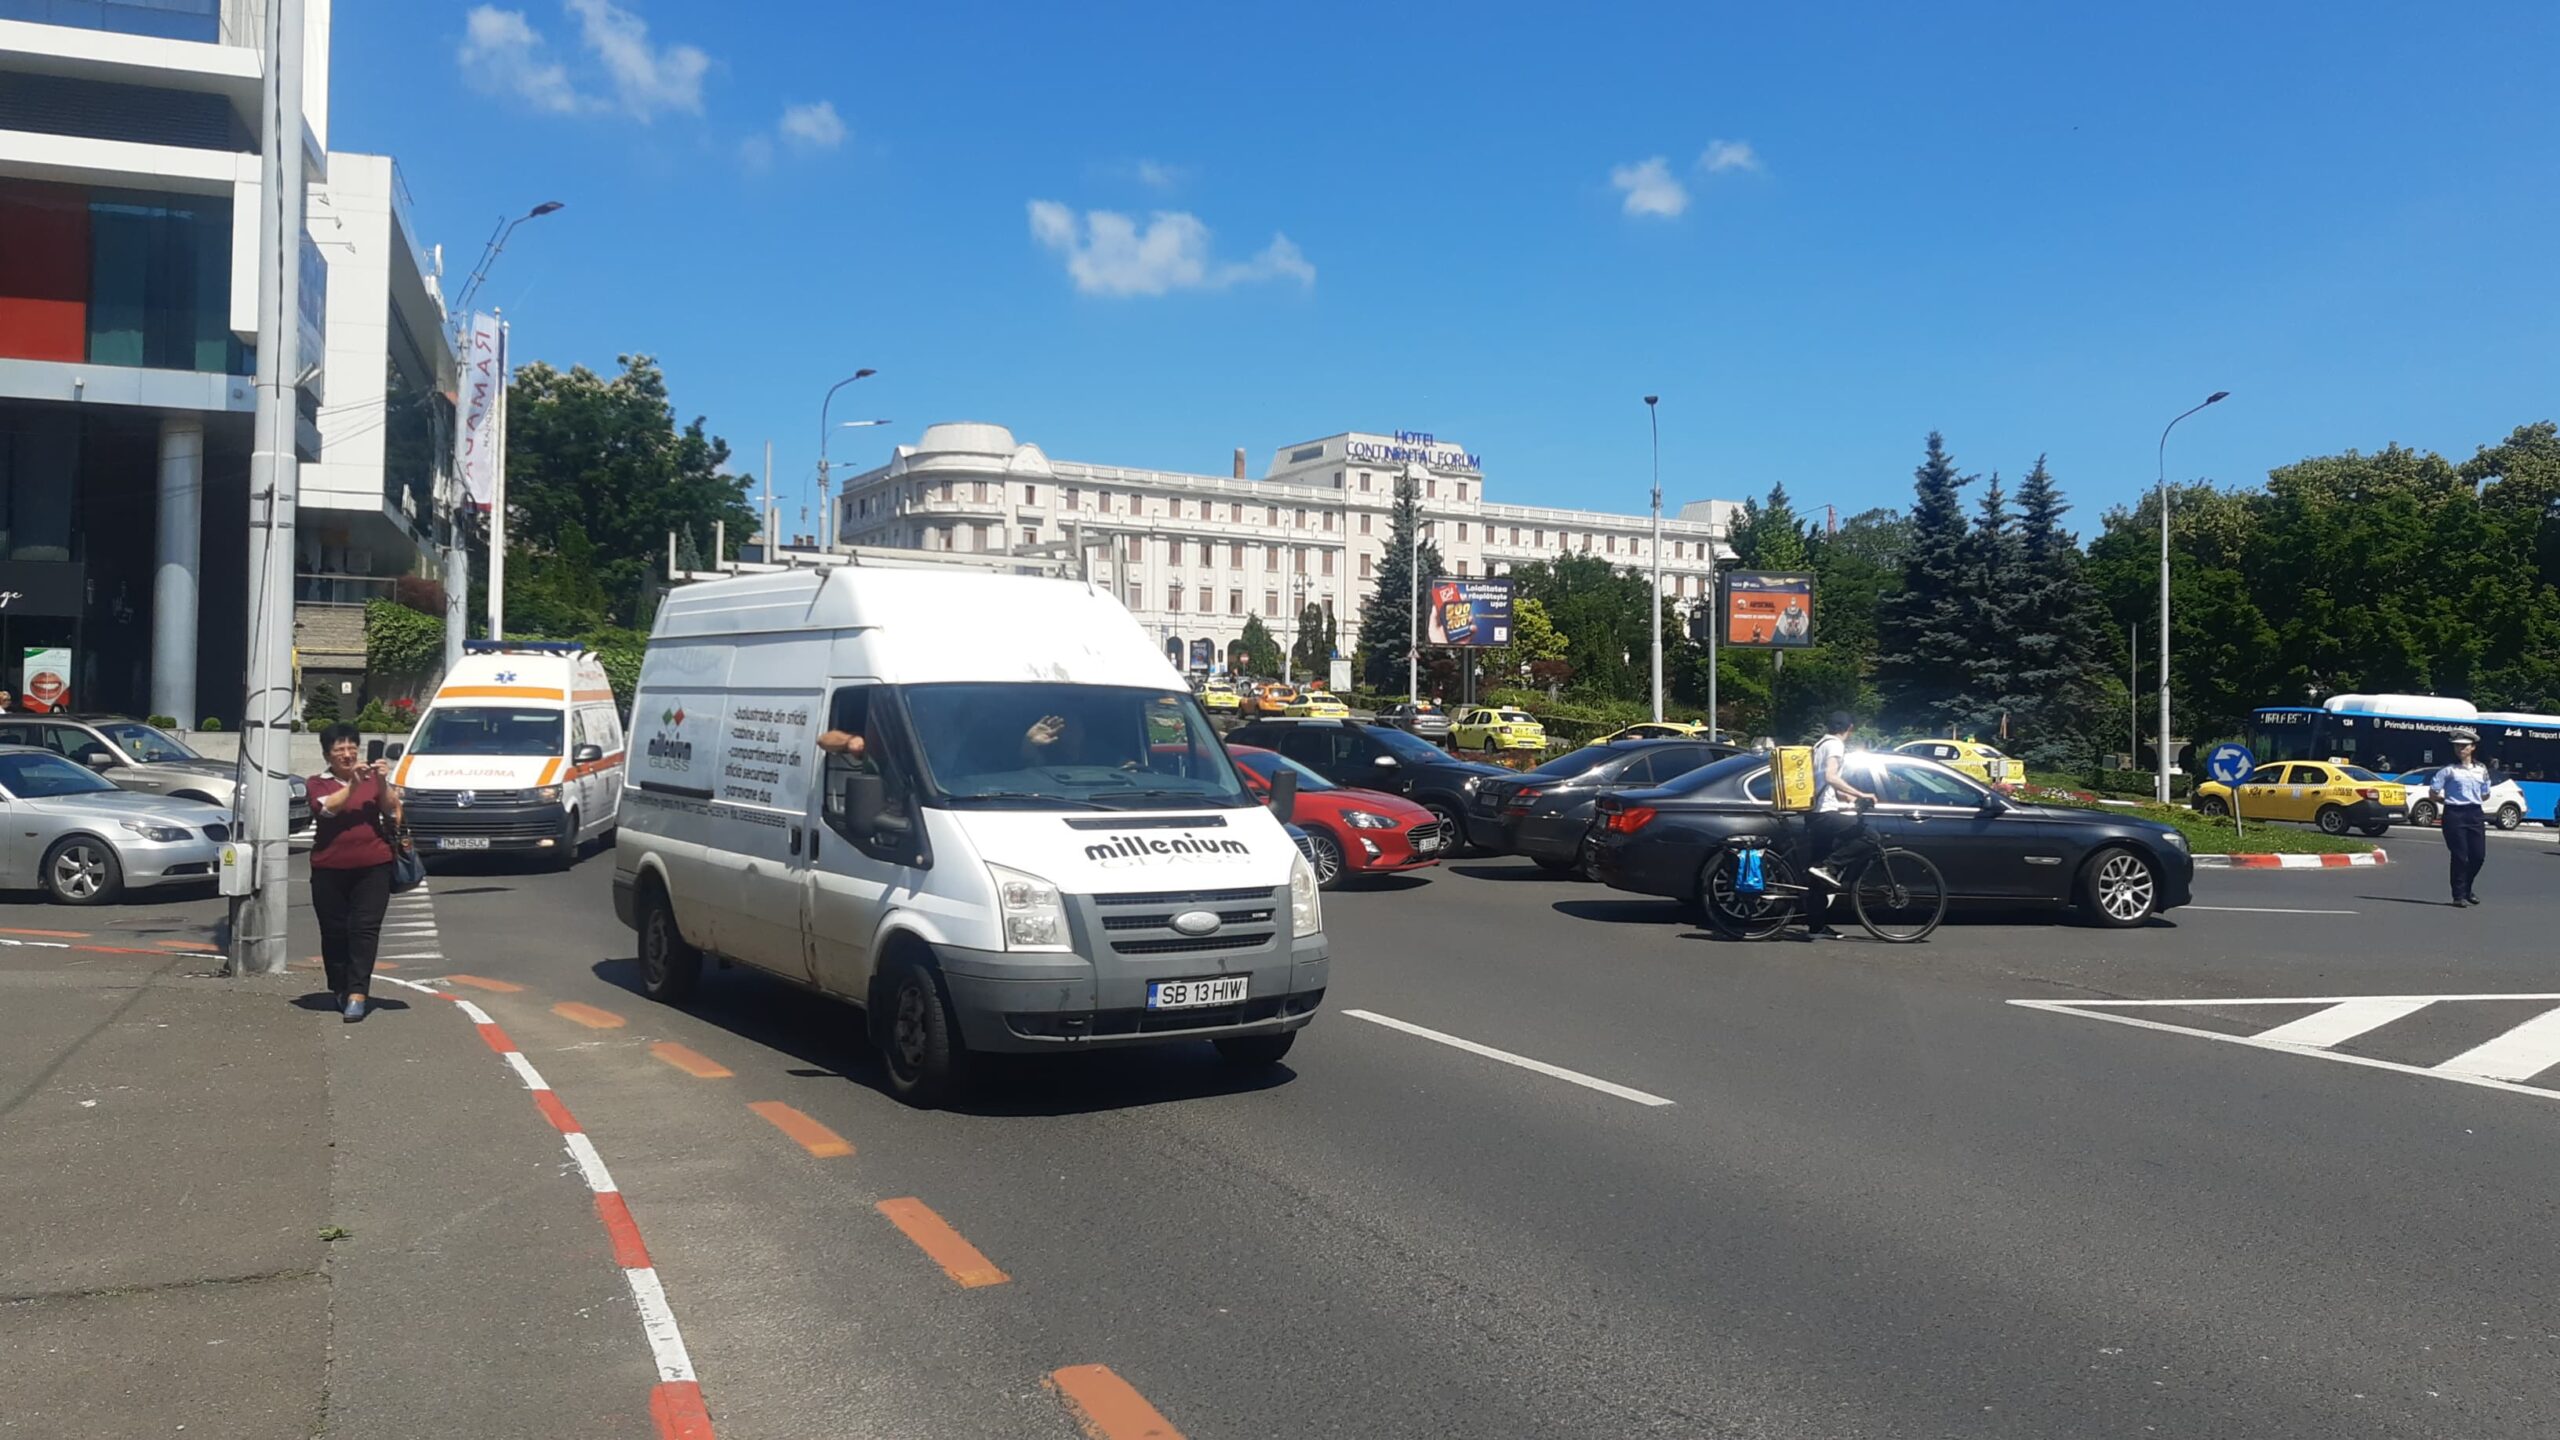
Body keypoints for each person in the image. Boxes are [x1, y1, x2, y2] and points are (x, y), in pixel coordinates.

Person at [307, 722, 403, 1021]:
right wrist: (353, 786)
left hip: (374, 866)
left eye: (352, 748)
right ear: (327, 755)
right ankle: (339, 986)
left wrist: (383, 782)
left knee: (364, 930)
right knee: (335, 932)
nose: (348, 755)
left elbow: (393, 812)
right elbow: (325, 810)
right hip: (329, 868)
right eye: (340, 750)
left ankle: (358, 993)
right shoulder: (317, 782)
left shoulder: (373, 780)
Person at [1804, 710, 1883, 940]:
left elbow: (1824, 780)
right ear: (1849, 728)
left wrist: (1845, 797)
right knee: (1870, 837)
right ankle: (1830, 866)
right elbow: (1830, 776)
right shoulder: (1836, 746)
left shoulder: (1820, 744)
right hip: (1824, 813)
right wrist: (1859, 793)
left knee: (1816, 872)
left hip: (1815, 812)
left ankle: (1816, 926)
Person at [2430, 731, 2491, 906]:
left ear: (2472, 747)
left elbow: (2485, 793)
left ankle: (2467, 888)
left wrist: (2473, 798)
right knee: (2460, 856)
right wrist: (2446, 800)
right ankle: (2458, 895)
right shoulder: (2448, 770)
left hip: (2474, 813)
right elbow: (2433, 792)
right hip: (2454, 814)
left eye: (2464, 746)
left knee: (2478, 856)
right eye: (2457, 746)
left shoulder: (2481, 769)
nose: (2460, 749)